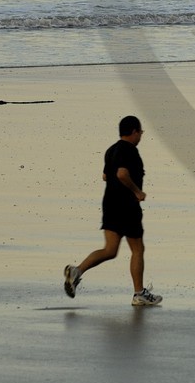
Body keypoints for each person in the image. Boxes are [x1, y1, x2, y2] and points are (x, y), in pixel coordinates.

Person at [63, 115, 162, 307]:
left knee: (110, 250)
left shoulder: (111, 150)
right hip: (127, 206)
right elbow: (122, 174)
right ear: (133, 132)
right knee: (138, 249)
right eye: (140, 132)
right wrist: (137, 191)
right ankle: (139, 293)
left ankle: (77, 271)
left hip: (110, 204)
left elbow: (105, 176)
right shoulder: (129, 150)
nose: (140, 136)